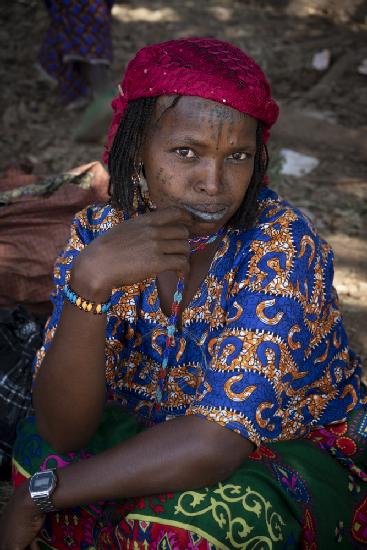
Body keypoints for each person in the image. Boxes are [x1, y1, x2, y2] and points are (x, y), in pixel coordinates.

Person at [0, 38, 366, 549]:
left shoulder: (281, 247)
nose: (213, 184)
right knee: (37, 449)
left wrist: (43, 495)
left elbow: (212, 444)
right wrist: (90, 283)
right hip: (150, 427)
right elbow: (63, 430)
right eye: (186, 152)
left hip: (280, 449)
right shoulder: (101, 231)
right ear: (136, 148)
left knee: (182, 530)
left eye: (236, 156)